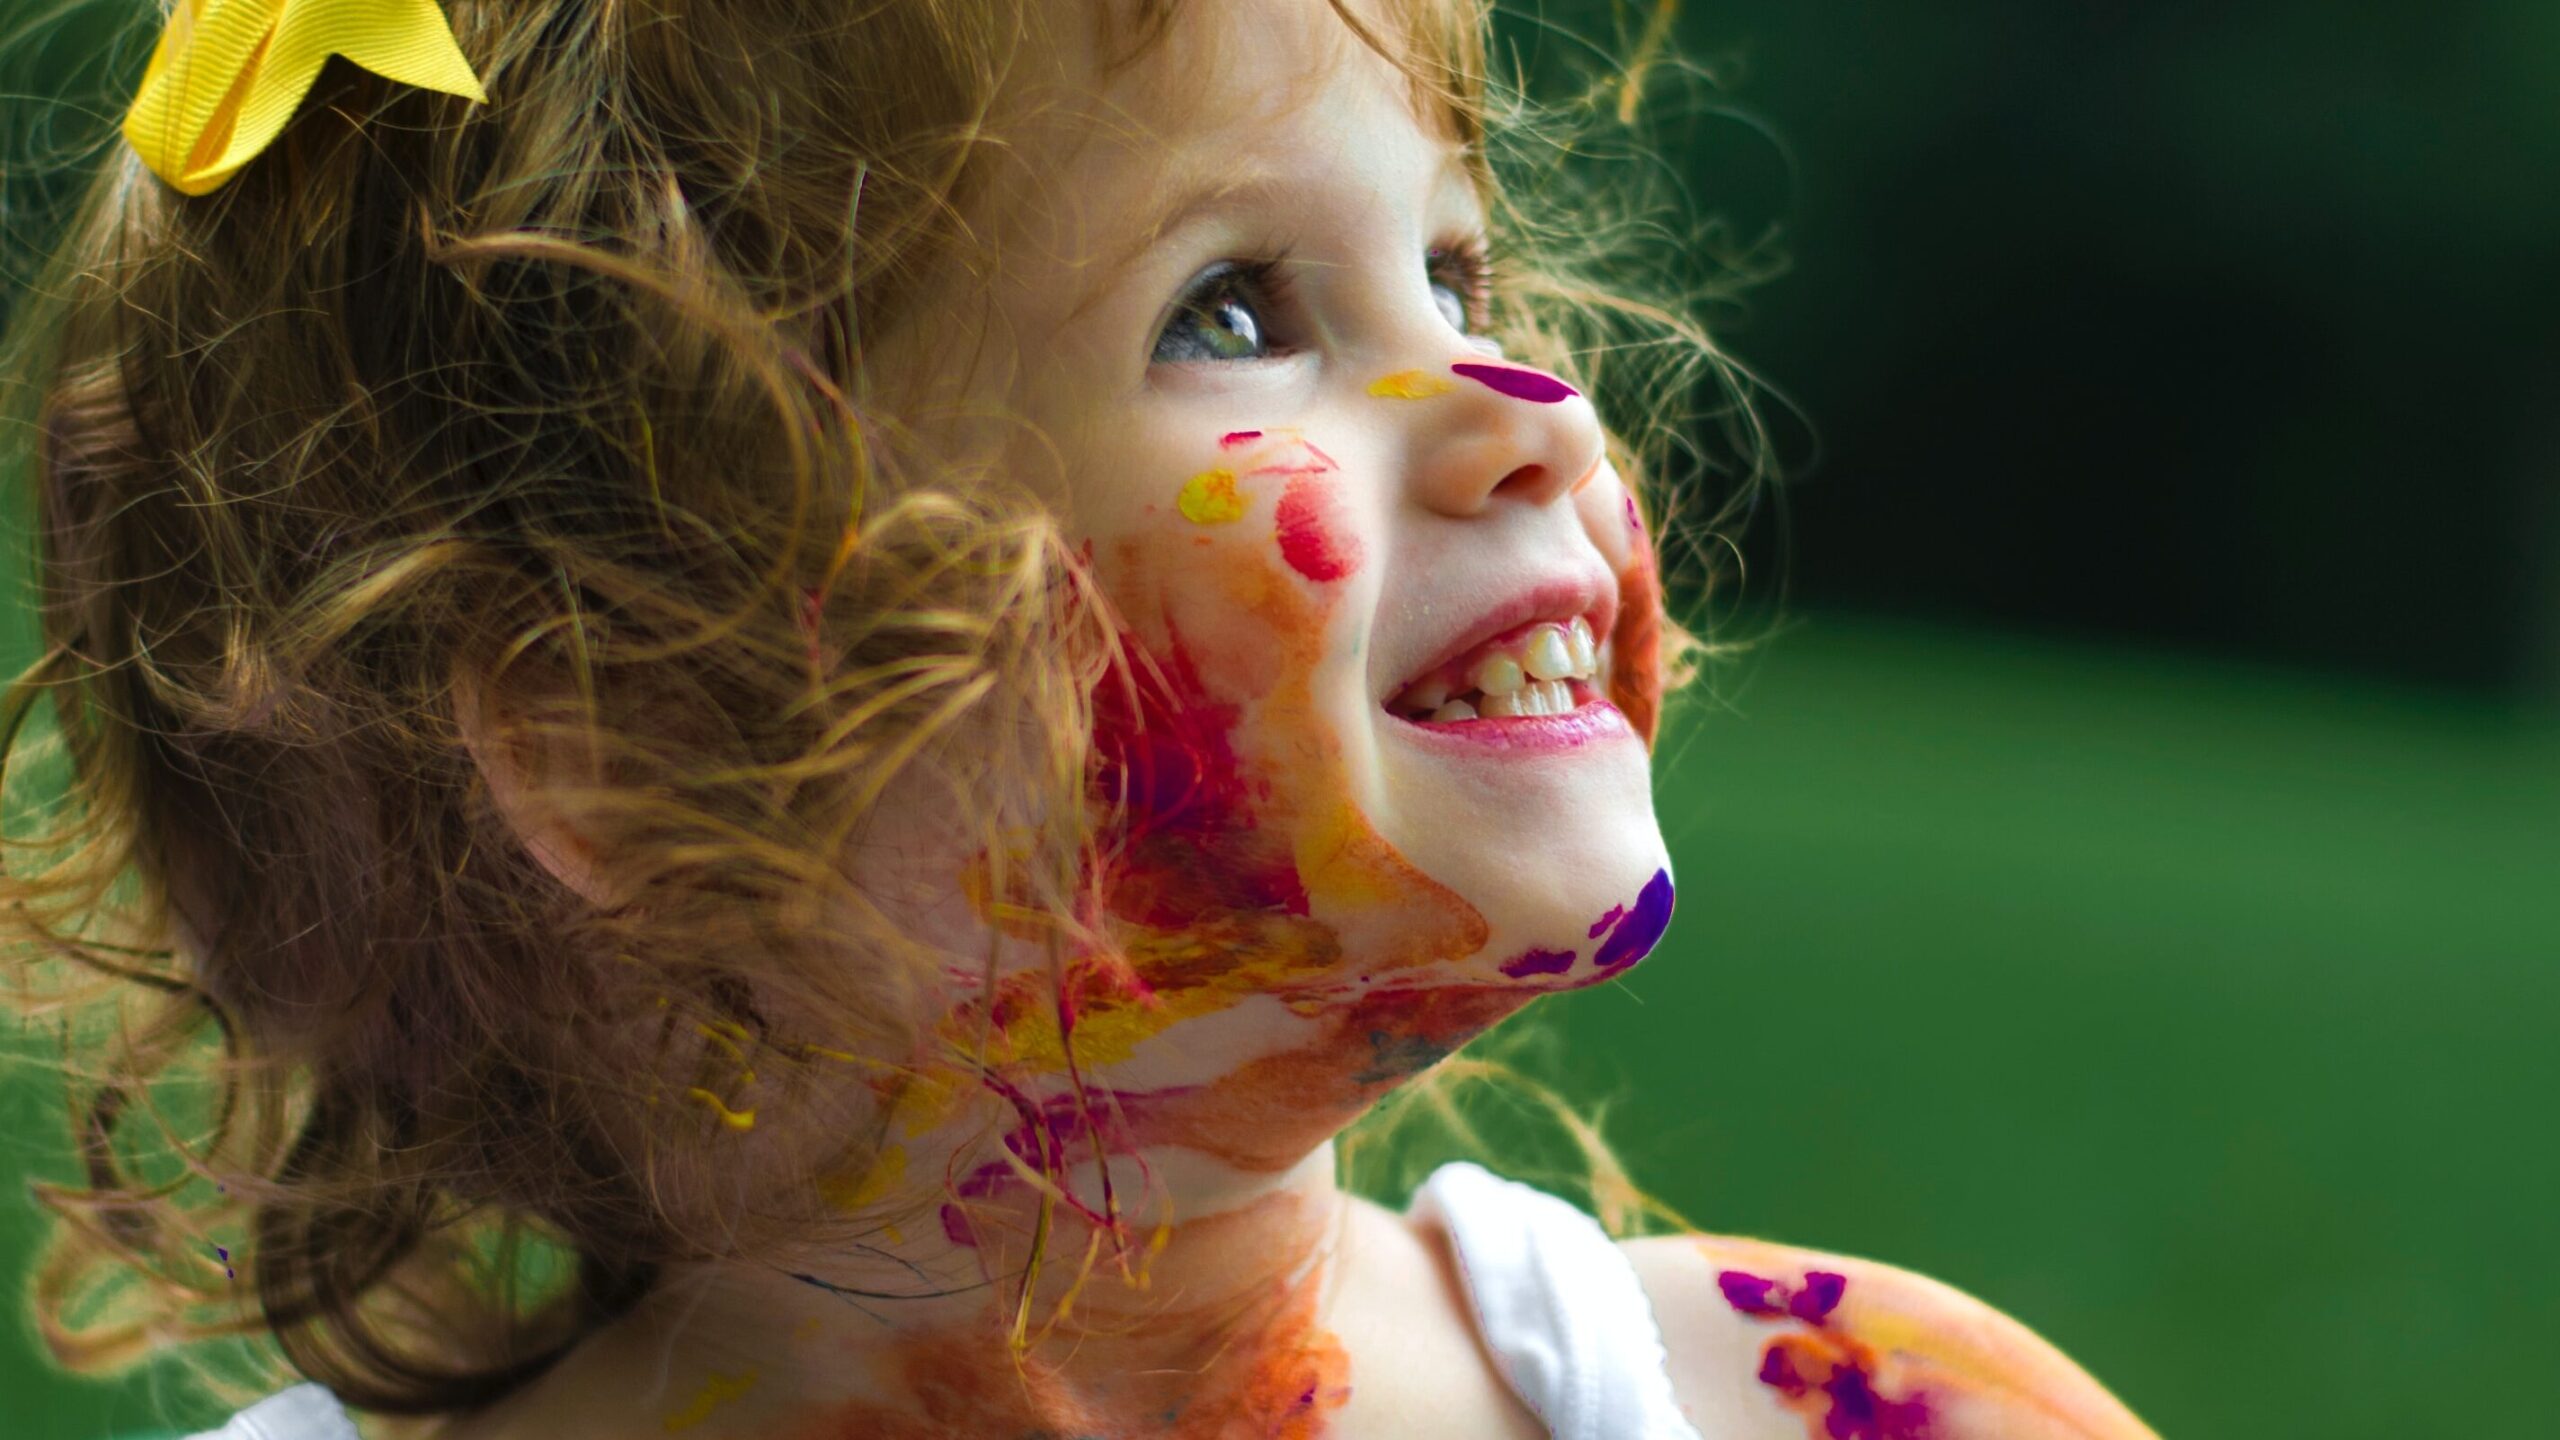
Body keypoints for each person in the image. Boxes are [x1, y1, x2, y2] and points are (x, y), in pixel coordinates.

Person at [3, 1, 2161, 1436]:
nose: (1525, 412)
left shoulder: (1833, 1412)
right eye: (1235, 312)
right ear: (634, 739)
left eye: (1457, 276)